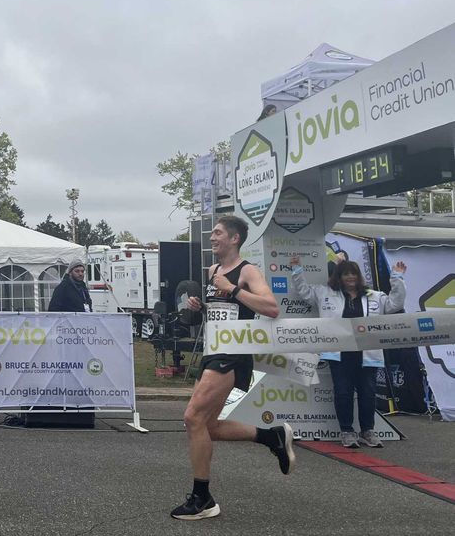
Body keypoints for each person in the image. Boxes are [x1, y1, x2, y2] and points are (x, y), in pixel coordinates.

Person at [172, 215, 294, 521]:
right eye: (212, 233)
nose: (212, 238)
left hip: (234, 353)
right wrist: (203, 309)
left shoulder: (246, 270)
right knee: (208, 427)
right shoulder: (212, 270)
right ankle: (272, 437)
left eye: (217, 233)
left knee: (192, 417)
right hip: (213, 351)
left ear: (234, 238)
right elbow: (223, 312)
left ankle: (202, 498)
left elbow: (271, 308)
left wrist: (233, 289)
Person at [289, 254, 407, 448]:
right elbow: (304, 292)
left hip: (367, 354)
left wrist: (397, 278)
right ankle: (347, 431)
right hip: (339, 354)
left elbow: (396, 304)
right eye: (346, 274)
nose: (350, 277)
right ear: (339, 277)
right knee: (343, 393)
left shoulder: (373, 295)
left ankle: (367, 431)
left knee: (367, 394)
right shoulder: (326, 293)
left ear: (359, 276)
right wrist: (297, 271)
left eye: (353, 274)